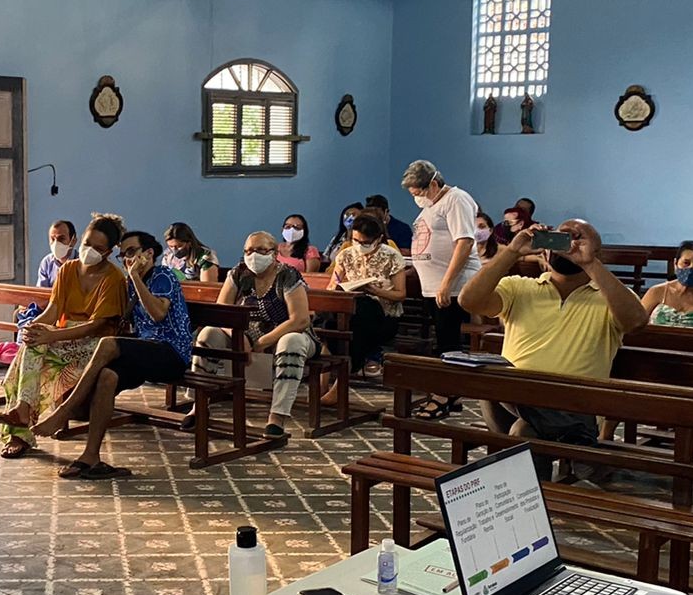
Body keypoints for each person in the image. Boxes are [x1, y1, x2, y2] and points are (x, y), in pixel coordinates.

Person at [459, 219, 648, 457]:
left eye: (577, 238)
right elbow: (469, 301)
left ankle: (524, 475)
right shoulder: (518, 287)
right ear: (546, 248)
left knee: (522, 431)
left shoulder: (611, 296)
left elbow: (637, 322)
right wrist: (512, 252)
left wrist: (590, 264)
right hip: (512, 401)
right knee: (493, 384)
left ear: (596, 252)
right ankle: (571, 455)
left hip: (576, 408)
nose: (568, 245)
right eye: (561, 237)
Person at [34, 230, 192, 478]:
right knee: (108, 376)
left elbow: (158, 314)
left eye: (131, 252)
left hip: (171, 353)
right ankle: (91, 457)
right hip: (145, 350)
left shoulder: (164, 275)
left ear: (148, 253)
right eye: (122, 255)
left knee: (108, 344)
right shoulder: (129, 282)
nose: (126, 259)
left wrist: (135, 279)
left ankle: (64, 410)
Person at [0, 214, 129, 457]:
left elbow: (96, 325)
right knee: (31, 345)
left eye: (98, 248)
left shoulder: (113, 277)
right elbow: (53, 310)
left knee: (38, 350)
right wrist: (33, 327)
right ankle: (21, 417)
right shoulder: (67, 270)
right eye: (87, 244)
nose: (90, 251)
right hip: (64, 335)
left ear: (108, 252)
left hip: (96, 344)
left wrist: (52, 336)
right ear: (81, 241)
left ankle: (22, 422)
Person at [194, 232, 318, 438]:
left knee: (292, 341)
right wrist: (238, 335)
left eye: (260, 250)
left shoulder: (287, 275)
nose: (253, 255)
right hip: (247, 332)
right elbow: (222, 310)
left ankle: (277, 416)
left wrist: (262, 342)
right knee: (208, 334)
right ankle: (198, 405)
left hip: (290, 333)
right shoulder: (239, 273)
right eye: (248, 250)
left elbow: (300, 319)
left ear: (274, 253)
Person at [401, 159, 482, 419]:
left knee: (448, 343)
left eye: (418, 192)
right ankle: (451, 393)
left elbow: (464, 242)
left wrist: (447, 283)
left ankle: (445, 394)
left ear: (433, 184)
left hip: (453, 285)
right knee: (442, 341)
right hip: (432, 286)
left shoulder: (456, 199)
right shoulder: (432, 205)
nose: (417, 198)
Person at [325, 213, 406, 387]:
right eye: (356, 241)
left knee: (366, 307)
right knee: (332, 320)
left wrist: (374, 290)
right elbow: (333, 284)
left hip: (384, 314)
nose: (360, 246)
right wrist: (341, 287)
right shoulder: (346, 255)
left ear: (378, 239)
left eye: (365, 243)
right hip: (351, 311)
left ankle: (347, 370)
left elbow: (400, 294)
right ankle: (342, 368)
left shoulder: (391, 256)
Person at [37, 219, 77, 287]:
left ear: (73, 241)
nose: (56, 243)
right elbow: (41, 293)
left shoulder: (82, 263)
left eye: (61, 239)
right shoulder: (47, 263)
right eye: (52, 239)